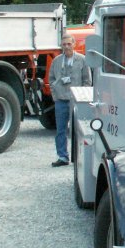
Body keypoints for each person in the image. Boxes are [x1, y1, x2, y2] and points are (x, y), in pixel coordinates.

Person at [48, 33, 91, 167]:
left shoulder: (82, 60)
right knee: (60, 130)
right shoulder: (57, 61)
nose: (66, 46)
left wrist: (83, 98)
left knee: (78, 130)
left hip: (76, 100)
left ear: (74, 44)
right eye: (64, 44)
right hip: (61, 100)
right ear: (61, 45)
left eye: (69, 44)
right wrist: (55, 95)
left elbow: (87, 80)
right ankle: (62, 157)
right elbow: (51, 79)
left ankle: (79, 158)